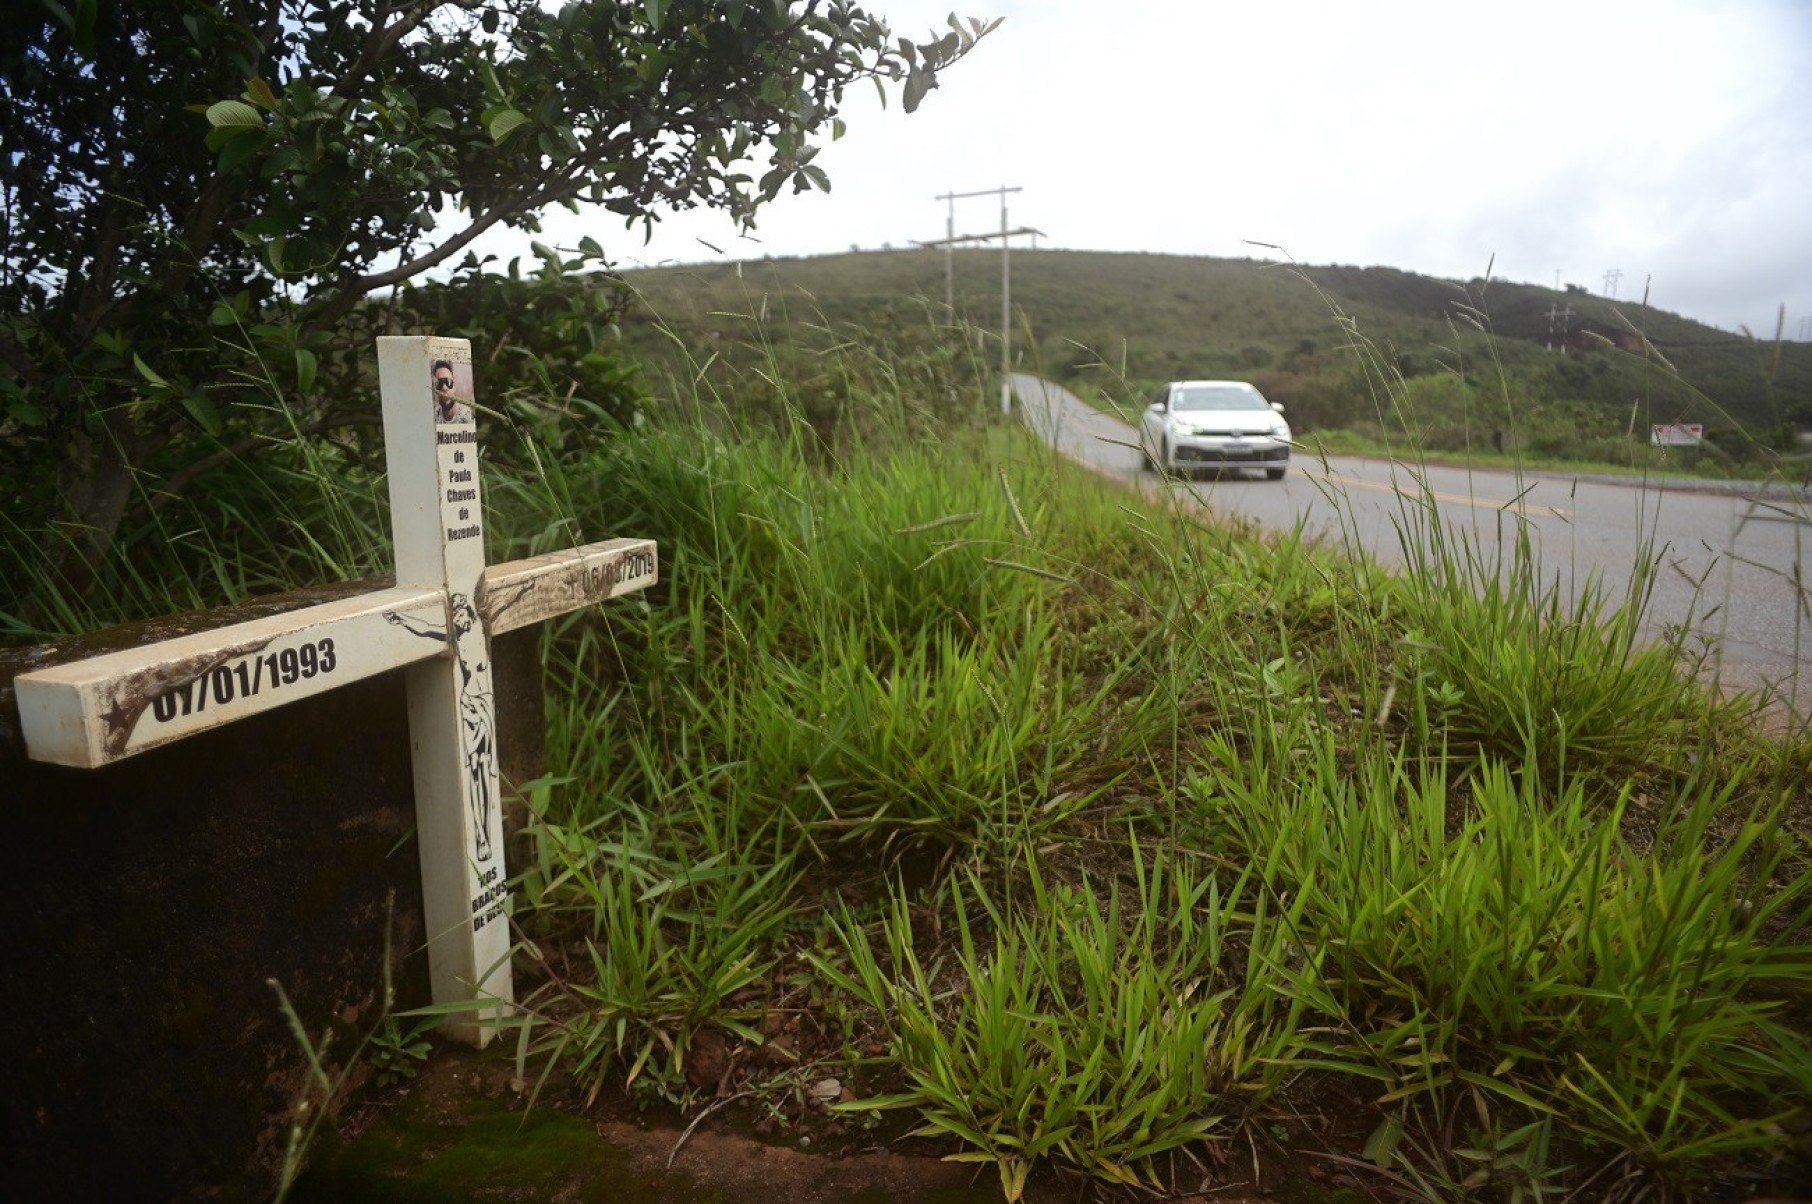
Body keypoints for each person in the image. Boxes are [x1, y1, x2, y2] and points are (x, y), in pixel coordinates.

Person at [431, 359, 472, 423]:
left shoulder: (467, 415)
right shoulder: (434, 417)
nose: (444, 388)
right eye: (439, 383)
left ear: (454, 384)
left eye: (448, 382)